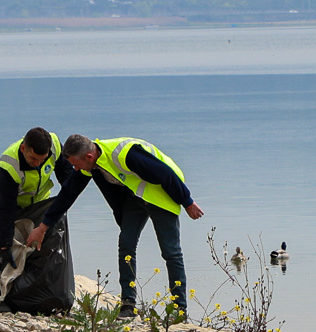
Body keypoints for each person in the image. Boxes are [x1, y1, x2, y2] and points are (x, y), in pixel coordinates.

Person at [27, 134, 205, 317]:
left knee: (171, 252)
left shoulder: (125, 154)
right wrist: (43, 227)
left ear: (88, 157)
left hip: (163, 191)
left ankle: (179, 310)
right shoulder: (90, 165)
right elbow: (67, 194)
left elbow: (166, 174)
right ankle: (128, 306)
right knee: (126, 246)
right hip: (135, 196)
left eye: (76, 164)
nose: (75, 169)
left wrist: (187, 202)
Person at [0, 126, 77, 303]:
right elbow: (5, 210)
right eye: (33, 158)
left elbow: (68, 178)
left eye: (42, 160)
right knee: (1, 240)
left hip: (38, 199)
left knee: (41, 239)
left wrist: (61, 206)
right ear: (23, 149)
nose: (38, 164)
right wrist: (4, 244)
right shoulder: (10, 165)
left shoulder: (54, 146)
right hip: (3, 198)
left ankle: (36, 290)